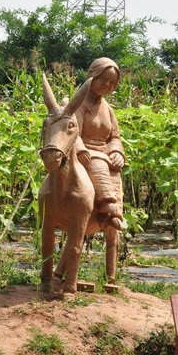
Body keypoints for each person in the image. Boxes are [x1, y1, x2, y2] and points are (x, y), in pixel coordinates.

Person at [75, 57, 125, 230]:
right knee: (98, 163)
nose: (107, 85)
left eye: (112, 82)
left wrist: (117, 152)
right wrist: (80, 149)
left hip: (105, 154)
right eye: (103, 79)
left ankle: (116, 213)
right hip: (85, 153)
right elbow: (72, 132)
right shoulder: (79, 103)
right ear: (92, 75)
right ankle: (109, 207)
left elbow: (115, 137)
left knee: (114, 172)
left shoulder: (107, 108)